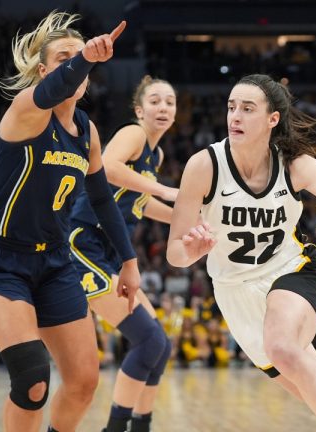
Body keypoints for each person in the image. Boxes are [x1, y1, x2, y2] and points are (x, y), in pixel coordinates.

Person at [167, 73, 316, 432]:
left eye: (248, 109)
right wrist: (192, 251)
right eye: (232, 107)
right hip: (234, 294)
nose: (235, 116)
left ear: (272, 118)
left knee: (281, 346)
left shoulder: (296, 164)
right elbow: (175, 253)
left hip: (290, 272)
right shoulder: (204, 166)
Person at [0, 12, 140, 432]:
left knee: (83, 383)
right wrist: (88, 56)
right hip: (2, 260)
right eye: (64, 58)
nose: (76, 64)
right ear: (44, 72)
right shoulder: (27, 109)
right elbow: (53, 89)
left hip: (56, 263)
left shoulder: (87, 132)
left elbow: (102, 198)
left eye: (79, 58)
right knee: (32, 381)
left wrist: (129, 261)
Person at [68, 75, 177, 432]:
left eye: (170, 102)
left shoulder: (156, 155)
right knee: (149, 341)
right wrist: (165, 190)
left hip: (113, 252)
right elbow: (107, 167)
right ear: (139, 110)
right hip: (84, 243)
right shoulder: (134, 134)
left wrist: (188, 218)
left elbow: (141, 203)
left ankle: (141, 426)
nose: (163, 107)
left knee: (160, 347)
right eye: (155, 101)